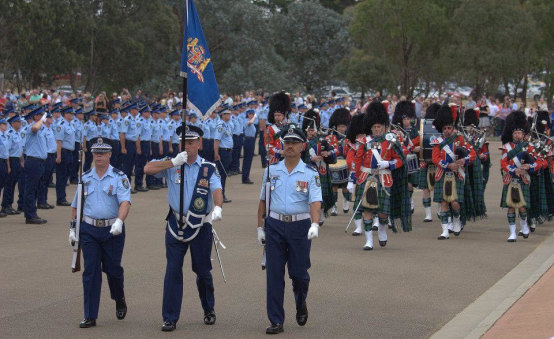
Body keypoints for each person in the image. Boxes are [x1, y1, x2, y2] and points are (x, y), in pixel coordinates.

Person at [144, 125, 224, 332]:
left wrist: (218, 208)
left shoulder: (207, 167)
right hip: (176, 224)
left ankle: (209, 308)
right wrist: (172, 162)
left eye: (191, 142)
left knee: (203, 270)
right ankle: (170, 317)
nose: (187, 147)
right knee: (172, 270)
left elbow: (216, 189)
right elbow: (147, 169)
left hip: (200, 225)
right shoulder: (173, 164)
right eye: (183, 143)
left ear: (199, 144)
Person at [256, 125, 322, 334]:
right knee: (274, 275)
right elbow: (263, 200)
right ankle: (276, 320)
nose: (290, 146)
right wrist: (260, 227)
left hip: (299, 227)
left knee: (299, 274)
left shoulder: (310, 173)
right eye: (287, 143)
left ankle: (300, 301)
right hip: (275, 225)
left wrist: (314, 223)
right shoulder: (271, 170)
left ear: (302, 146)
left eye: (294, 143)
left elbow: (315, 202)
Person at [68, 140, 131, 328]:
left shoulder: (119, 177)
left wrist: (119, 221)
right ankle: (90, 315)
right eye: (96, 153)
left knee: (113, 270)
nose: (99, 157)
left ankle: (119, 297)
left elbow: (125, 202)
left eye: (102, 153)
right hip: (89, 231)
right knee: (91, 272)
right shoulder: (85, 177)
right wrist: (73, 229)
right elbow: (75, 207)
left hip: (112, 230)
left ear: (110, 155)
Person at [432, 104, 476, 240]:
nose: (447, 130)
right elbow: (435, 158)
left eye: (449, 128)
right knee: (444, 202)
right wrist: (448, 165)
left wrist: (464, 161)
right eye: (444, 128)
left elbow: (472, 154)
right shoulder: (437, 142)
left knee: (455, 203)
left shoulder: (460, 139)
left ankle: (456, 219)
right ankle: (445, 230)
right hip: (443, 174)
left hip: (457, 174)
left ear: (453, 128)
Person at [23, 107, 49, 224]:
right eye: (41, 115)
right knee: (30, 189)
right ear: (36, 117)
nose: (43, 117)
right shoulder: (31, 127)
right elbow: (35, 127)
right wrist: (41, 120)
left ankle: (33, 212)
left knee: (36, 189)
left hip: (40, 162)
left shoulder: (42, 129)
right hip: (33, 161)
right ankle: (30, 215)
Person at [1, 115, 24, 215]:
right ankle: (5, 205)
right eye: (18, 122)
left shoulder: (17, 134)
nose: (20, 124)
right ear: (13, 123)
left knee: (13, 183)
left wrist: (22, 161)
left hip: (17, 160)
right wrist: (9, 165)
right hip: (11, 160)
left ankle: (9, 204)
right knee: (9, 184)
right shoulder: (9, 134)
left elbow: (20, 149)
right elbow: (8, 151)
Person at [55, 107, 76, 206]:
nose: (72, 115)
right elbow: (59, 141)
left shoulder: (70, 125)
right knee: (61, 176)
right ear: (65, 114)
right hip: (63, 152)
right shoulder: (61, 125)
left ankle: (62, 196)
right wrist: (58, 156)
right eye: (70, 113)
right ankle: (60, 198)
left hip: (69, 152)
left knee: (66, 175)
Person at [213, 105, 233, 203]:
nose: (229, 115)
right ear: (222, 115)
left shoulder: (226, 124)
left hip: (228, 152)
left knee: (223, 175)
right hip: (223, 152)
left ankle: (222, 194)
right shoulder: (220, 125)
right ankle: (220, 195)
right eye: (227, 114)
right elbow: (216, 140)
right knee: (221, 175)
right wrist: (216, 153)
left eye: (229, 113)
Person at [241, 109, 257, 184]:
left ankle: (246, 176)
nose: (252, 115)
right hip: (248, 140)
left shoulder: (251, 121)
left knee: (249, 159)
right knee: (247, 159)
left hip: (251, 140)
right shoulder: (247, 120)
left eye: (253, 114)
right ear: (247, 114)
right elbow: (250, 122)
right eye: (250, 114)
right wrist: (255, 117)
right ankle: (245, 177)